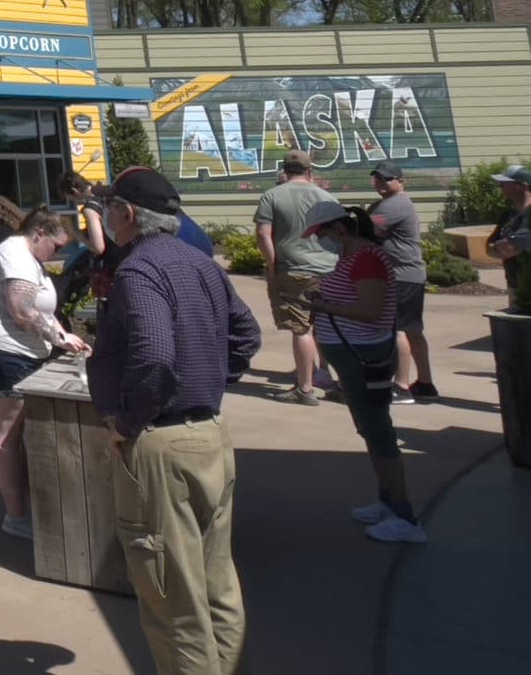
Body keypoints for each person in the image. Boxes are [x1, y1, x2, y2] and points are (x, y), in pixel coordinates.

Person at [86, 167, 262, 675]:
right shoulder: (200, 263)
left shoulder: (140, 271)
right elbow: (246, 337)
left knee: (171, 600)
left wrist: (128, 421)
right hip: (208, 434)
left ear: (128, 214)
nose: (104, 215)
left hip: (160, 442)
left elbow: (156, 356)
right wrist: (206, 381)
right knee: (215, 584)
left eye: (108, 206)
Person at [299, 200, 425, 543]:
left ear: (340, 228)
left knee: (378, 430)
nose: (320, 239)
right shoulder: (353, 256)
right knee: (370, 429)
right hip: (354, 354)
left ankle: (404, 515)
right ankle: (388, 501)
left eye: (322, 232)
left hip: (364, 355)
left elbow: (370, 310)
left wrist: (324, 305)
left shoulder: (367, 258)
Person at [0, 206, 89, 539]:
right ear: (39, 234)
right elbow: (22, 310)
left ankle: (24, 505)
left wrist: (62, 334)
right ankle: (16, 516)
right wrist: (58, 337)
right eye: (56, 246)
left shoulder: (29, 257)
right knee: (8, 430)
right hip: (0, 350)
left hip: (21, 348)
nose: (57, 253)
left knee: (21, 430)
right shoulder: (16, 256)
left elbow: (41, 307)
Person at [254, 152, 336, 404]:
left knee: (301, 329)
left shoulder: (272, 196)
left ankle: (305, 388)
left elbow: (263, 235)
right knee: (327, 327)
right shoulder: (327, 197)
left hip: (293, 270)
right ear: (309, 171)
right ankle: (335, 380)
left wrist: (272, 264)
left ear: (285, 170)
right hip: (329, 269)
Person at [365, 160, 435, 403]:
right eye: (377, 178)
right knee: (413, 329)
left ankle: (402, 386)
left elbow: (366, 229)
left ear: (400, 181)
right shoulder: (389, 204)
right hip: (409, 275)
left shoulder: (396, 204)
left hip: (401, 275)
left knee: (397, 330)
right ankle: (425, 384)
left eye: (386, 178)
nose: (381, 183)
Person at [487, 166, 531, 302]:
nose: (500, 187)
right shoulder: (506, 216)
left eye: (504, 183)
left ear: (522, 186)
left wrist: (501, 246)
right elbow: (488, 247)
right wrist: (500, 246)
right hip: (513, 284)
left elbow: (512, 248)